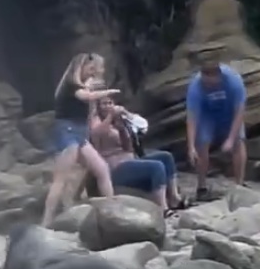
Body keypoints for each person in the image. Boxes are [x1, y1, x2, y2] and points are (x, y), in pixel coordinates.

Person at [42, 53, 116, 228]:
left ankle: (112, 209)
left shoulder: (82, 85)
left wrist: (93, 84)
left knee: (102, 168)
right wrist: (107, 92)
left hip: (80, 134)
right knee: (60, 178)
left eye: (93, 69)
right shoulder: (71, 85)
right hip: (67, 132)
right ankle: (46, 221)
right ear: (79, 68)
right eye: (89, 69)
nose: (92, 73)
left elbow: (87, 91)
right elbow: (85, 96)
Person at [90, 94, 188, 214]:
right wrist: (110, 117)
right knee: (156, 166)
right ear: (98, 107)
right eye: (104, 103)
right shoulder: (95, 121)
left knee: (166, 157)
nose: (108, 106)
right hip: (115, 168)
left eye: (110, 103)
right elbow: (97, 134)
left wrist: (122, 130)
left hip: (130, 160)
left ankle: (174, 197)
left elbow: (128, 148)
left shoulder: (118, 122)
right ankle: (162, 207)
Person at [185, 55, 247, 198]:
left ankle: (240, 184)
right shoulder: (195, 87)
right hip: (208, 115)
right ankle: (201, 186)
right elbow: (192, 117)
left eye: (212, 84)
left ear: (219, 76)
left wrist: (231, 139)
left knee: (239, 141)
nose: (209, 86)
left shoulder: (233, 81)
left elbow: (240, 111)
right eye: (206, 84)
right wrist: (191, 147)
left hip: (229, 112)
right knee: (202, 144)